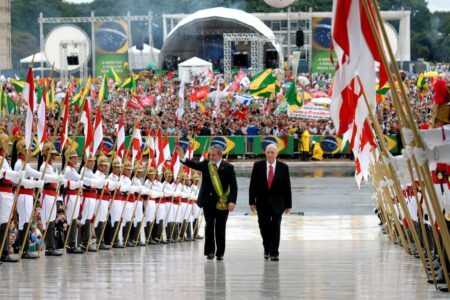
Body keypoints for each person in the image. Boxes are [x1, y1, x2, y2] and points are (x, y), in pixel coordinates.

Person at [176, 144, 238, 260]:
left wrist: (232, 201)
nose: (211, 157)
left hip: (222, 203)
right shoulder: (206, 164)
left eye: (213, 155)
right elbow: (193, 164)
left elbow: (233, 186)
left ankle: (220, 253)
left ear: (220, 155)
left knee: (220, 228)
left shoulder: (229, 167)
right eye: (210, 154)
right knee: (209, 226)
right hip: (208, 202)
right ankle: (210, 252)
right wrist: (182, 157)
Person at [249, 143, 292, 261]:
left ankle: (274, 252)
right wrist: (252, 202)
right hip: (262, 203)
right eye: (268, 152)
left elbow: (287, 187)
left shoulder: (284, 167)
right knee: (264, 227)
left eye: (272, 152)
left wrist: (288, 205)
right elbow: (253, 185)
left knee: (276, 227)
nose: (270, 154)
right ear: (265, 153)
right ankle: (266, 248)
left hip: (278, 203)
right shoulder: (258, 166)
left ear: (276, 154)